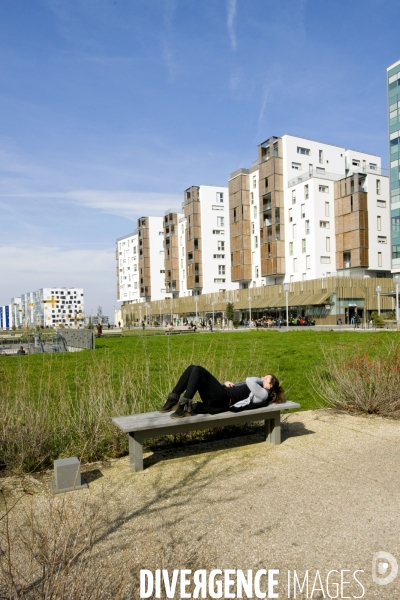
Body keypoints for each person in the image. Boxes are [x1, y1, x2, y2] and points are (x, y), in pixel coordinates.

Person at [159, 365, 285, 418]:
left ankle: (184, 406)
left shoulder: (263, 394)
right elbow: (243, 386)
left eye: (267, 379)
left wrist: (260, 380)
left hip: (223, 400)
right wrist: (223, 385)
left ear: (271, 387)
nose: (263, 378)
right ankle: (173, 399)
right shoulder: (259, 389)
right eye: (264, 377)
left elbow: (249, 380)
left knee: (198, 369)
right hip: (221, 395)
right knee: (193, 368)